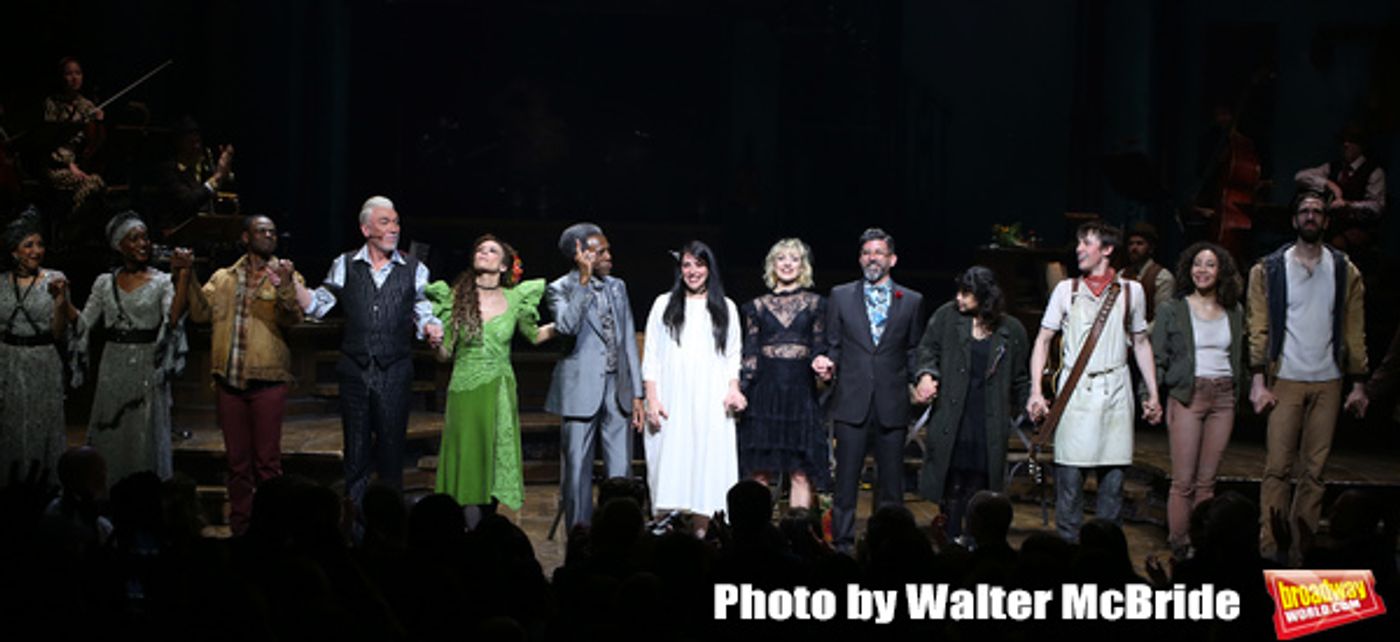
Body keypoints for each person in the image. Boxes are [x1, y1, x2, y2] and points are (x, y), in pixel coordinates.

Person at [1247, 189, 1368, 563]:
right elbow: (1258, 327)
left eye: (1318, 211)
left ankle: (1301, 552)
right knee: (1278, 468)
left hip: (1329, 379)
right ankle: (1271, 547)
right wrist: (1257, 380)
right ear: (1294, 219)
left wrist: (1358, 382)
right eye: (1305, 211)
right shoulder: (1269, 268)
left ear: (1327, 221)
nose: (1311, 217)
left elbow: (1354, 328)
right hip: (1286, 377)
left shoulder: (1344, 269)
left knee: (1315, 472)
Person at [305, 196, 444, 511]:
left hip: (394, 369)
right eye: (385, 222)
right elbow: (317, 306)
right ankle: (353, 526)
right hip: (355, 369)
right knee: (355, 452)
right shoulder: (345, 264)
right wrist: (291, 286)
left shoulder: (414, 268)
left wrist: (432, 329)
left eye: (396, 222)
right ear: (366, 228)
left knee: (392, 454)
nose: (394, 228)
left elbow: (424, 312)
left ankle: (388, 527)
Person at [1027, 221, 1162, 541]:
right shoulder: (1067, 290)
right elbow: (1043, 340)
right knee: (1070, 487)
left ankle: (1106, 560)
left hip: (1115, 392)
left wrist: (1153, 393)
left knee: (1112, 488)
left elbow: (1141, 342)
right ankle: (1068, 557)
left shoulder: (1132, 291)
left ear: (1107, 249)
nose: (1079, 249)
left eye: (1086, 243)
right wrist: (1036, 391)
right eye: (1078, 243)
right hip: (1075, 396)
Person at [183, 214, 310, 535]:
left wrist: (284, 283)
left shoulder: (286, 274)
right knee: (237, 464)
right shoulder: (224, 278)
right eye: (262, 231)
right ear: (245, 237)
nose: (269, 236)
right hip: (230, 381)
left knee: (267, 463)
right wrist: (186, 275)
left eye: (273, 231)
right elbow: (199, 313)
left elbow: (292, 318)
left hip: (267, 379)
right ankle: (240, 528)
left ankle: (272, 528)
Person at [811, 227, 925, 553]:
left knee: (891, 485)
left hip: (892, 403)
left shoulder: (911, 300)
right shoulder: (841, 295)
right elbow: (833, 345)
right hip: (851, 401)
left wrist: (923, 378)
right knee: (845, 483)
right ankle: (843, 547)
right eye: (866, 253)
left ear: (892, 259)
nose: (871, 258)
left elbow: (913, 350)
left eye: (878, 252)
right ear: (860, 258)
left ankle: (886, 546)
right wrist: (826, 363)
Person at [425, 235, 553, 520]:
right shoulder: (456, 297)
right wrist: (434, 343)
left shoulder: (515, 298)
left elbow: (534, 335)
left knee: (493, 457)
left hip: (499, 389)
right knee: (467, 456)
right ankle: (461, 525)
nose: (483, 253)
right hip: (465, 388)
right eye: (480, 249)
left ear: (505, 265)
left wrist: (566, 324)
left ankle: (485, 525)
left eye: (492, 250)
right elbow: (445, 354)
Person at [913, 266, 1029, 543]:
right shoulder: (946, 317)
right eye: (959, 291)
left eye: (966, 293)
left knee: (979, 482)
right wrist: (928, 374)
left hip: (987, 419)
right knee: (952, 481)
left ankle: (973, 540)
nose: (959, 298)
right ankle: (950, 538)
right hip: (954, 416)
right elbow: (927, 350)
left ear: (984, 296)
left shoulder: (1011, 330)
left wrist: (1031, 406)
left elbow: (1020, 377)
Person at [73, 212, 189, 483]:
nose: (143, 244)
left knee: (143, 429)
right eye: (134, 238)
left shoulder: (161, 281)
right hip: (113, 361)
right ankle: (109, 486)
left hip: (147, 361)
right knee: (113, 428)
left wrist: (183, 275)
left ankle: (145, 490)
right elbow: (83, 323)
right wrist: (61, 302)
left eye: (145, 238)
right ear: (118, 245)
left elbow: (172, 318)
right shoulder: (104, 283)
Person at [1151, 241, 1247, 558]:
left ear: (1221, 271)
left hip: (1223, 398)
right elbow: (1157, 358)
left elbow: (1239, 357)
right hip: (1188, 396)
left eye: (1209, 264)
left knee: (1207, 483)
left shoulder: (1234, 311)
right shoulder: (1172, 309)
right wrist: (1152, 396)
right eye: (1196, 264)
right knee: (1184, 482)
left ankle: (1204, 546)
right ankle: (1180, 545)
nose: (1202, 270)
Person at [545, 223, 644, 530]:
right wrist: (584, 281)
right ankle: (580, 535)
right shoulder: (559, 288)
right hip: (580, 389)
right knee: (576, 470)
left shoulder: (618, 286)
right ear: (581, 254)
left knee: (620, 470)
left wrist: (637, 392)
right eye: (601, 252)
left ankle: (620, 534)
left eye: (608, 249)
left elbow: (627, 338)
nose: (609, 256)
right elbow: (566, 327)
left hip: (618, 388)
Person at [641, 240, 744, 532]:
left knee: (708, 468)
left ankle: (704, 536)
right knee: (668, 465)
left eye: (698, 264)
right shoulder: (664, 304)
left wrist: (733, 389)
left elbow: (732, 354)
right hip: (672, 398)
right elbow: (652, 355)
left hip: (711, 398)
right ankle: (663, 533)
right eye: (687, 265)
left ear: (709, 268)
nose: (692, 271)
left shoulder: (726, 307)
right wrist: (652, 399)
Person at [737, 238, 829, 509]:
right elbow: (750, 353)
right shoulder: (755, 307)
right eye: (782, 258)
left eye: (794, 258)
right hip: (764, 396)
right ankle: (756, 534)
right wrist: (741, 390)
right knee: (759, 471)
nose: (787, 263)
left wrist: (823, 363)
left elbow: (820, 346)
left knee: (800, 472)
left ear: (803, 266)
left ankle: (798, 536)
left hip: (800, 395)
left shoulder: (816, 304)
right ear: (773, 265)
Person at [0, 210, 77, 476]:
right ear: (14, 252)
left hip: (42, 360)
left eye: (40, 244)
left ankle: (45, 481)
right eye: (28, 245)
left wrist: (60, 300)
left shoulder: (54, 278)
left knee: (41, 424)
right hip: (8, 362)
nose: (36, 251)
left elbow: (57, 332)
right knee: (11, 425)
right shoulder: (0, 284)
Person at [1294, 125, 1386, 254]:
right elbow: (1300, 177)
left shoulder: (1374, 172)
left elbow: (1377, 206)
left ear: (1361, 146)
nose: (1346, 145)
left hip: (1359, 226)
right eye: (1343, 141)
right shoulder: (1334, 167)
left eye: (1351, 141)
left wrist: (1349, 205)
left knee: (1335, 245)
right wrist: (1329, 184)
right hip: (1333, 224)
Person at [41, 57, 106, 213]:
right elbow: (49, 139)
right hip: (55, 163)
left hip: (78, 164)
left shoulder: (86, 105)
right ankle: (72, 222)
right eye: (68, 74)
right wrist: (68, 164)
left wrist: (99, 121)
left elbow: (94, 142)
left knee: (97, 185)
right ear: (61, 77)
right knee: (94, 184)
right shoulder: (52, 103)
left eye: (78, 73)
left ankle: (76, 223)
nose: (74, 77)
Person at [151, 117, 234, 236]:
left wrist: (226, 172)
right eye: (191, 142)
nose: (197, 147)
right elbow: (188, 202)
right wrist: (218, 176)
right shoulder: (168, 171)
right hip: (178, 234)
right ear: (179, 143)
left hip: (207, 232)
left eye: (198, 142)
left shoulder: (204, 166)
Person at [1121, 222, 1175, 328]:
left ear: (1150, 248)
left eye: (1139, 243)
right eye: (1131, 244)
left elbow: (1163, 319)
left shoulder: (1162, 277)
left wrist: (1139, 335)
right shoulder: (1121, 274)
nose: (1134, 248)